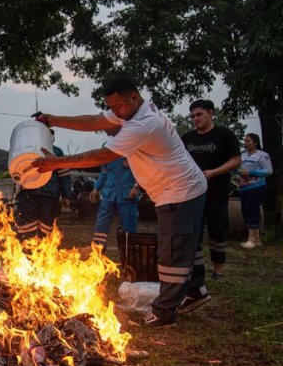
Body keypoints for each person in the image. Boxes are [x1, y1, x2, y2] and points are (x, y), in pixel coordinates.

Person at [32, 76, 208, 328]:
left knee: (173, 248)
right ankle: (195, 290)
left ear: (133, 97)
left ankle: (164, 311)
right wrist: (54, 119)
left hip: (179, 191)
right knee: (187, 241)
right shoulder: (132, 112)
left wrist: (57, 162)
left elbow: (103, 155)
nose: (114, 112)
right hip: (188, 186)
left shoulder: (142, 124)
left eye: (118, 106)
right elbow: (95, 121)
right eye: (111, 107)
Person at [182, 100, 241, 280]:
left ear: (211, 113)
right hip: (193, 194)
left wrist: (214, 172)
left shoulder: (224, 135)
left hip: (217, 192)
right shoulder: (188, 138)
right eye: (193, 116)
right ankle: (196, 270)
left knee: (218, 230)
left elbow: (236, 160)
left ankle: (218, 270)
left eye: (199, 115)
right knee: (194, 232)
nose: (196, 119)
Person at [14, 129, 73, 240]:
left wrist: (66, 195)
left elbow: (64, 176)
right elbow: (17, 173)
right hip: (27, 195)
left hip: (49, 196)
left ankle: (44, 252)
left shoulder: (56, 153)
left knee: (46, 227)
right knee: (26, 227)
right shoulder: (26, 152)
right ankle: (26, 252)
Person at [90, 128, 140, 250]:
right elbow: (104, 171)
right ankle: (98, 254)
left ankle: (129, 255)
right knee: (101, 224)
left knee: (128, 227)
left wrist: (136, 187)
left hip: (127, 194)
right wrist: (96, 188)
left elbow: (142, 169)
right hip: (109, 194)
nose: (104, 129)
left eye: (107, 126)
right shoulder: (107, 147)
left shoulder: (132, 144)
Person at [238, 133, 273, 249]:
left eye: (248, 141)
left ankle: (251, 240)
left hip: (256, 187)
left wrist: (252, 173)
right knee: (246, 210)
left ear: (255, 142)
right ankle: (256, 238)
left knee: (252, 211)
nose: (245, 143)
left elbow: (268, 171)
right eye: (245, 140)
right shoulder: (243, 155)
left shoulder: (262, 155)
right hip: (244, 187)